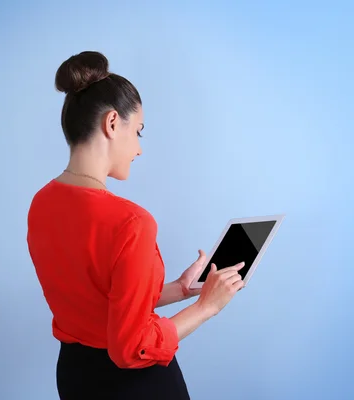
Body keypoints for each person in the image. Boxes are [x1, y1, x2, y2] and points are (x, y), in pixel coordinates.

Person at [26, 51, 246, 400]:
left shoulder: (41, 203)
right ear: (113, 123)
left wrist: (178, 289)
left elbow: (97, 301)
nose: (139, 149)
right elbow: (131, 348)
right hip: (133, 387)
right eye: (139, 131)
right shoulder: (131, 222)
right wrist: (207, 306)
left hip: (74, 375)